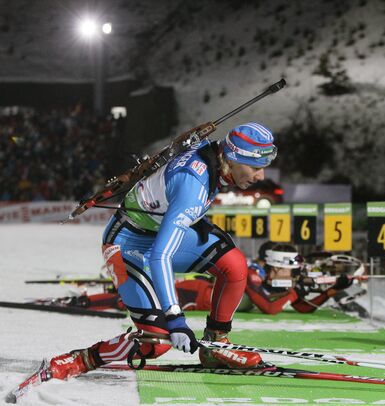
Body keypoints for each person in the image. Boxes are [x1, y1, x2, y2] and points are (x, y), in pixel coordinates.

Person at [46, 122, 278, 381]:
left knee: (234, 265)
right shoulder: (193, 188)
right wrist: (175, 317)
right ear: (233, 158)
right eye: (255, 168)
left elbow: (182, 146)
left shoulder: (211, 151)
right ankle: (81, 359)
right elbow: (160, 255)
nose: (260, 176)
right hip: (125, 246)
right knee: (156, 342)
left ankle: (216, 344)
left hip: (155, 233)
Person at [176, 242, 354, 315]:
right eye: (291, 271)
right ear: (276, 268)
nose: (295, 275)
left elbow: (303, 307)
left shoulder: (275, 281)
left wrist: (332, 291)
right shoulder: (251, 274)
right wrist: (294, 292)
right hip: (189, 293)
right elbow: (269, 308)